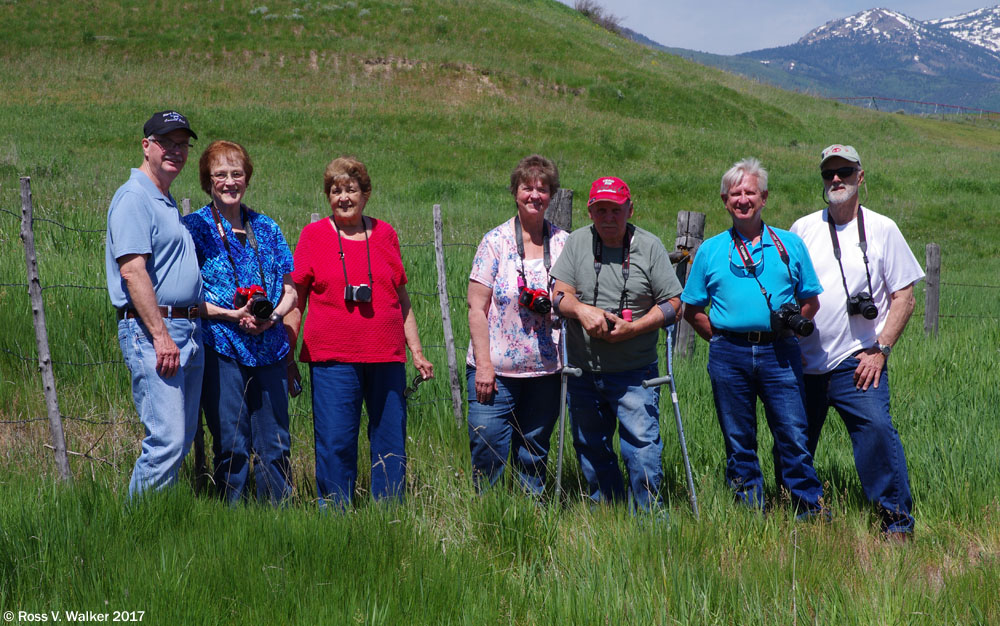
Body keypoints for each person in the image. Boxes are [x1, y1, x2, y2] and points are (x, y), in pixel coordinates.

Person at [787, 144, 923, 538]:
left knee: (877, 431)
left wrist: (881, 349)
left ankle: (895, 525)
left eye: (845, 171)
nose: (836, 180)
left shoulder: (883, 228)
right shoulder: (803, 228)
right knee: (793, 443)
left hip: (858, 359)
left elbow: (905, 298)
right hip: (805, 360)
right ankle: (800, 516)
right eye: (829, 173)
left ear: (860, 177)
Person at [681, 157, 825, 516]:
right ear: (724, 201)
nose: (742, 199)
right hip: (728, 354)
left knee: (793, 435)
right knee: (738, 439)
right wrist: (721, 337)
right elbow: (693, 308)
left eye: (749, 192)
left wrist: (789, 329)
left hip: (781, 352)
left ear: (764, 198)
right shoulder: (711, 250)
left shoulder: (789, 244)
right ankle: (750, 512)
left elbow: (811, 301)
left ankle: (808, 508)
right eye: (734, 194)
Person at [287, 156, 434, 507]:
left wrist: (416, 351)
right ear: (328, 196)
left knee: (390, 440)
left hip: (386, 357)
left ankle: (389, 516)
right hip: (332, 358)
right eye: (336, 191)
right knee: (335, 440)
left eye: (351, 190)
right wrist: (287, 353)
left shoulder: (385, 235)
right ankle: (334, 514)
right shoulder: (313, 236)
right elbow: (296, 300)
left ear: (366, 194)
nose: (343, 197)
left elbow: (401, 299)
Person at [549, 176, 682, 510]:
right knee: (590, 446)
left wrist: (634, 328)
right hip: (583, 370)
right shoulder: (578, 242)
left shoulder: (649, 246)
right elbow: (558, 295)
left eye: (616, 210)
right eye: (601, 210)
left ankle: (651, 520)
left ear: (630, 209)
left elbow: (674, 305)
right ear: (591, 212)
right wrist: (581, 310)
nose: (609, 217)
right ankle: (606, 513)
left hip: (633, 371)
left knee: (641, 447)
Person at [182, 140, 297, 505]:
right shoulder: (193, 229)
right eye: (221, 175)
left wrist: (273, 317)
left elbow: (291, 290)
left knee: (275, 443)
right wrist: (231, 314)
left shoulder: (268, 228)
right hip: (222, 348)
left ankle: (277, 517)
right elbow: (185, 299)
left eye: (237, 174)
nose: (230, 182)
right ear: (207, 180)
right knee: (231, 443)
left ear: (247, 178)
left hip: (270, 348)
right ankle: (231, 516)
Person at [105, 110, 204, 498]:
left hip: (185, 328)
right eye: (167, 143)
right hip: (154, 330)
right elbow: (133, 272)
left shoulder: (163, 200)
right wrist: (161, 337)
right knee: (167, 438)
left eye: (183, 145)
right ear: (146, 146)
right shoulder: (134, 198)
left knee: (180, 438)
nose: (176, 152)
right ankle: (137, 529)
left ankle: (158, 520)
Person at [466, 155, 569, 496]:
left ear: (551, 195)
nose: (534, 195)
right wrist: (483, 366)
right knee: (488, 444)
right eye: (527, 187)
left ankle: (530, 517)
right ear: (515, 192)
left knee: (534, 452)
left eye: (542, 188)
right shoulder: (494, 242)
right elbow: (475, 308)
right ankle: (487, 515)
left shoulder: (564, 243)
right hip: (495, 371)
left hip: (546, 372)